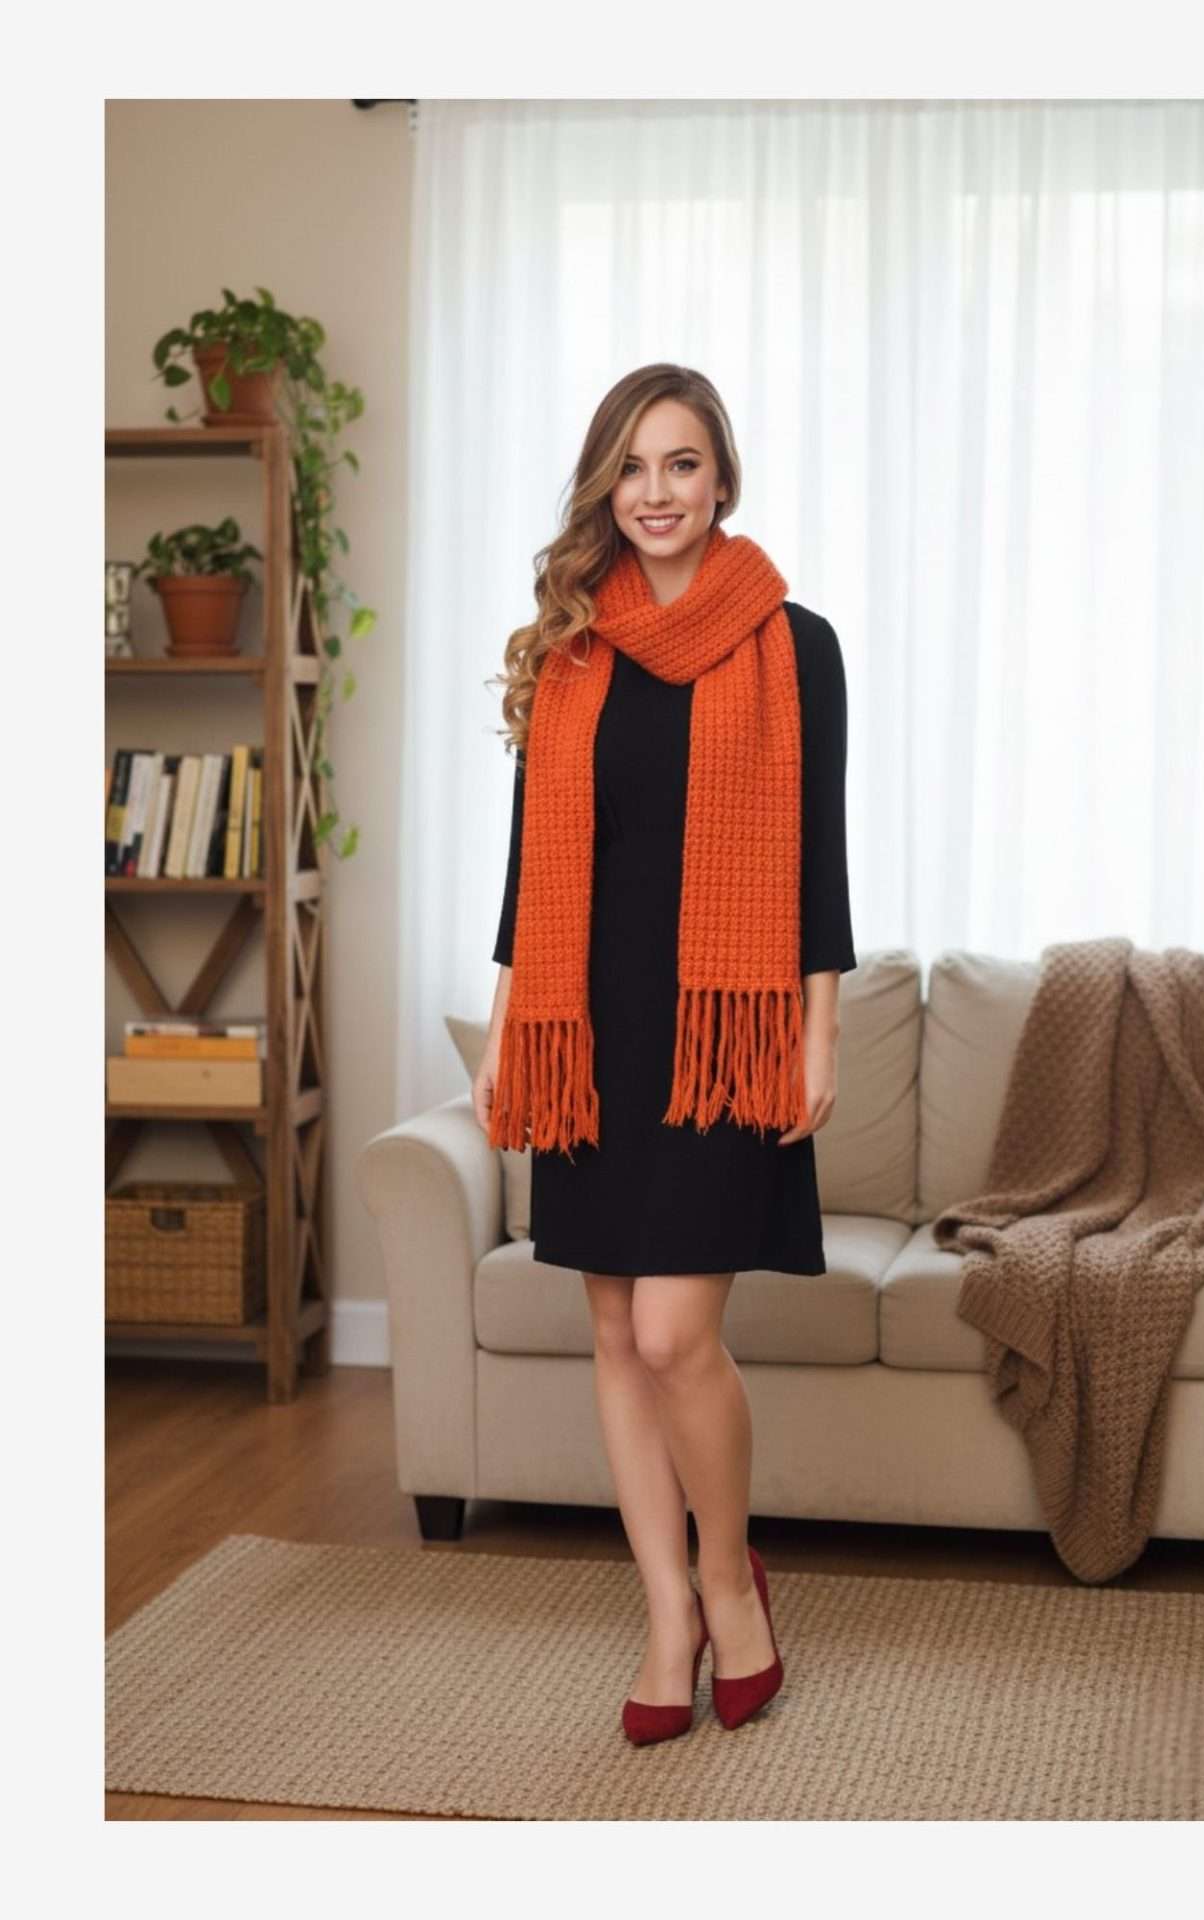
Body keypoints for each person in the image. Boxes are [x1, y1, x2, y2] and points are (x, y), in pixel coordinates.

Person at [474, 363, 856, 1745]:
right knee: (610, 1333)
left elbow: (818, 856)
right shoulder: (571, 645)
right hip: (589, 1026)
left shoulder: (794, 643)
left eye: (681, 464)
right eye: (631, 467)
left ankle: (728, 1580)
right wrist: (509, 1026)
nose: (655, 493)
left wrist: (815, 1029)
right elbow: (529, 864)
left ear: (722, 479)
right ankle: (665, 1618)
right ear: (604, 487)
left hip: (720, 1028)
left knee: (671, 1332)